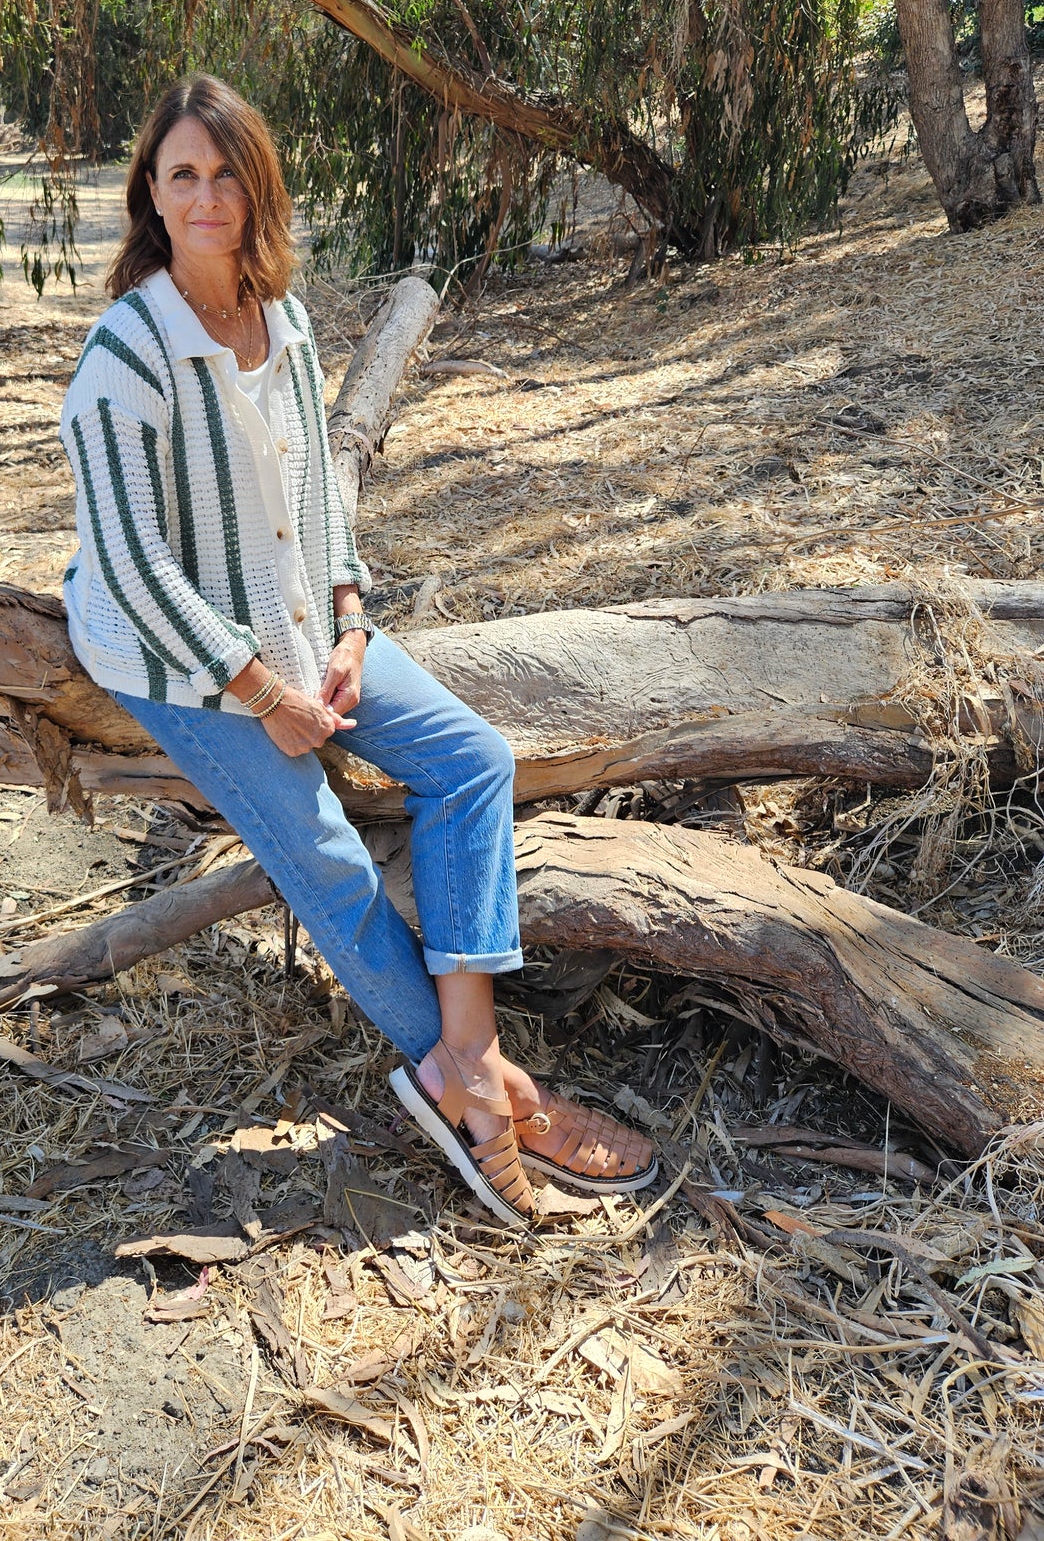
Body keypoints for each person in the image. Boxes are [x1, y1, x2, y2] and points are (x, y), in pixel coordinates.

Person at [59, 74, 655, 1226]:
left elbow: (320, 488)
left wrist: (343, 618)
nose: (205, 194)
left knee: (472, 757)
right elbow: (133, 566)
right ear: (150, 192)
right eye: (181, 173)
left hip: (296, 619)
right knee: (327, 856)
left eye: (225, 170)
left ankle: (463, 1056)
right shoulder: (123, 357)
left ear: (255, 183)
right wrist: (259, 688)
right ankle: (488, 1099)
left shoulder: (278, 317)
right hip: (176, 655)